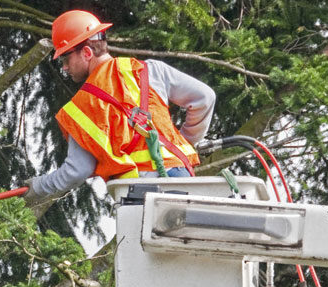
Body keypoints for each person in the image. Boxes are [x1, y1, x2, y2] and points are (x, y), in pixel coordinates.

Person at [23, 10, 215, 207]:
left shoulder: (84, 105)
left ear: (87, 53)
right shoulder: (149, 70)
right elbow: (205, 98)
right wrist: (184, 143)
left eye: (66, 58)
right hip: (183, 178)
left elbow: (77, 171)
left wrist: (39, 187)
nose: (64, 67)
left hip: (141, 193)